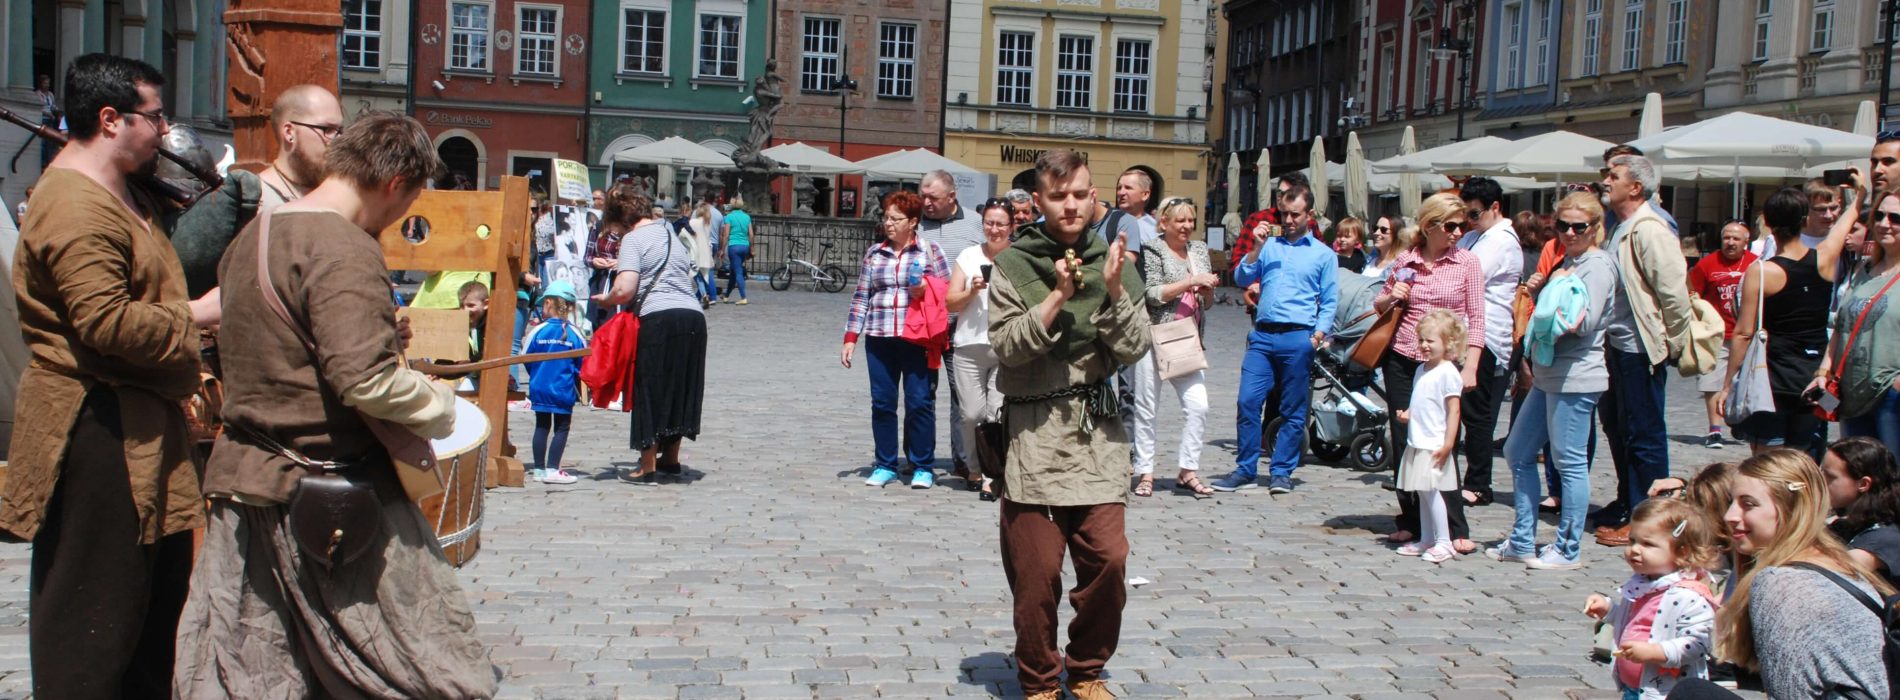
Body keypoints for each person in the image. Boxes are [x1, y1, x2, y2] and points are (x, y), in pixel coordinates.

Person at [174, 111, 494, 697]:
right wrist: (443, 408)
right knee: (414, 664)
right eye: (409, 200)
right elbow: (364, 382)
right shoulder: (342, 247)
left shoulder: (255, 234)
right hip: (328, 488)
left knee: (262, 667)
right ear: (397, 184)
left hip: (247, 480)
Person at [5, 53, 222, 698]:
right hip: (95, 432)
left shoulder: (120, 192)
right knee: (91, 625)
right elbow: (106, 325)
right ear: (109, 119)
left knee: (147, 623)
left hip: (136, 428)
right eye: (154, 117)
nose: (163, 131)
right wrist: (201, 315)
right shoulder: (74, 206)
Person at [988, 148, 1147, 700]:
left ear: (1094, 196)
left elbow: (1134, 347)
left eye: (1081, 194)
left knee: (1109, 559)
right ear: (1039, 202)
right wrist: (1057, 296)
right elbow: (1008, 349)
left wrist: (1115, 292)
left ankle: (1086, 669)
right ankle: (1037, 679)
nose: (1072, 205)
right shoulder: (1013, 265)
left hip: (1096, 435)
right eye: (1059, 196)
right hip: (1033, 435)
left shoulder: (1116, 263)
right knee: (1034, 577)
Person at [1666, 449, 1894, 700]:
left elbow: (1789, 695)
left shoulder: (1782, 582)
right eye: (1732, 501)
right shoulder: (1834, 560)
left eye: (1748, 504)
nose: (1730, 515)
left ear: (1790, 509)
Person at [1492, 192, 1618, 570]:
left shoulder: (1596, 265)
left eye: (1579, 226)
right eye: (1562, 225)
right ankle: (1522, 539)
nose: (1569, 233)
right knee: (1517, 451)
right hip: (1549, 373)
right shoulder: (1570, 261)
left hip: (1576, 374)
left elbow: (1584, 323)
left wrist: (1549, 295)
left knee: (1569, 462)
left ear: (1596, 228)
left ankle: (1567, 548)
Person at [1594, 154, 1696, 547]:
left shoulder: (1650, 229)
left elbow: (1673, 293)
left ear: (1635, 187)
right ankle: (1628, 504)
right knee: (1619, 428)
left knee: (1644, 433)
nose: (1606, 181)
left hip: (1640, 346)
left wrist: (1670, 344)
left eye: (1614, 176)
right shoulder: (1620, 226)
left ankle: (1651, 519)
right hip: (1616, 343)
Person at [1375, 192, 1485, 552]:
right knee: (1405, 439)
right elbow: (1379, 305)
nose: (1458, 232)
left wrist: (1471, 364)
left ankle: (1453, 527)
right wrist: (1394, 295)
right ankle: (1410, 520)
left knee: (1441, 441)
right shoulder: (1407, 259)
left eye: (1463, 224)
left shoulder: (1466, 262)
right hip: (1405, 358)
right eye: (1451, 225)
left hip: (1442, 365)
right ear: (1430, 226)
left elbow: (1477, 317)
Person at [1215, 185, 1338, 495]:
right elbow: (1242, 278)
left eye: (1295, 214)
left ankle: (1281, 471)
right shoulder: (1269, 246)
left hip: (1298, 337)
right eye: (1284, 214)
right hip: (1263, 336)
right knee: (1247, 401)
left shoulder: (1323, 254)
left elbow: (1330, 299)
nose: (1289, 220)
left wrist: (1318, 335)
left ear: (1310, 215)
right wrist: (1256, 247)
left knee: (1293, 409)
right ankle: (1245, 469)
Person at [1717, 187, 1848, 460]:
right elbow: (1844, 225)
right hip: (1813, 381)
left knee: (1767, 461)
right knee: (1805, 461)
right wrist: (1857, 196)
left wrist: (1728, 384)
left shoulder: (1762, 272)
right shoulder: (1824, 258)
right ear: (1804, 220)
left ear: (1767, 223)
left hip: (1773, 381)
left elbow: (1743, 333)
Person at [593, 184, 710, 483]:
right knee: (682, 386)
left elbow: (625, 289)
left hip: (660, 318)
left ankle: (647, 464)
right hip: (693, 317)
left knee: (650, 387)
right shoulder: (668, 232)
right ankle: (670, 458)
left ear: (621, 220)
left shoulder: (633, 239)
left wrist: (607, 299)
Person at [840, 190, 950, 489]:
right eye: (886, 217)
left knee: (919, 403)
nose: (888, 223)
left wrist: (926, 290)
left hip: (917, 338)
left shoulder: (930, 252)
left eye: (895, 218)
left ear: (912, 222)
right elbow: (862, 295)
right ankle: (885, 463)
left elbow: (947, 292)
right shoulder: (875, 253)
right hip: (879, 336)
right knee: (883, 403)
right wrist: (851, 336)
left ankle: (923, 465)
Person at [1581, 499, 1720, 700]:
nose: (1635, 549)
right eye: (1632, 541)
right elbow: (1635, 621)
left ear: (1682, 552)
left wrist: (1656, 652)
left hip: (1665, 692)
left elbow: (1698, 643)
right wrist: (1608, 610)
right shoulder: (1642, 584)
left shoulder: (1687, 595)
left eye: (1648, 544)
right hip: (1633, 687)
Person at [1133, 196, 1219, 499]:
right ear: (1165, 223)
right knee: (1146, 409)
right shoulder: (1153, 249)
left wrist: (1206, 291)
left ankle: (1188, 470)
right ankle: (1145, 472)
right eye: (1180, 220)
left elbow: (1207, 302)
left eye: (1191, 220)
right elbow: (1153, 294)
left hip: (1187, 337)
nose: (1187, 226)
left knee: (1199, 405)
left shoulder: (1198, 250)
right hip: (1156, 335)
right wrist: (1190, 281)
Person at [1813, 185, 1900, 456]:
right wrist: (1823, 374)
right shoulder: (1863, 269)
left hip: (1890, 394)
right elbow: (1841, 327)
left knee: (1892, 477)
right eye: (1879, 216)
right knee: (1858, 476)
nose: (1885, 224)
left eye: (1895, 218)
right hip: (1850, 392)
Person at [1456, 177, 1523, 507]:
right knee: (1456, 408)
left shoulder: (1501, 241)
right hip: (1460, 332)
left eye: (1474, 213)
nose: (1468, 221)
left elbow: (1464, 278)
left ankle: (1479, 482)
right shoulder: (1474, 235)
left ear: (1495, 207)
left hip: (1486, 337)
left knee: (1476, 413)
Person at [920, 170, 986, 477]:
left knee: (963, 397)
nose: (926, 202)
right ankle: (920, 458)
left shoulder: (975, 223)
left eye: (933, 197)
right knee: (921, 394)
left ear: (952, 197)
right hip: (923, 326)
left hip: (962, 324)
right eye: (923, 196)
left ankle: (964, 460)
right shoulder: (915, 224)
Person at [945, 198, 1012, 500]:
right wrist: (971, 291)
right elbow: (950, 302)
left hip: (1004, 346)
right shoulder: (969, 255)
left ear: (1011, 227)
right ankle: (973, 466)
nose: (994, 229)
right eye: (989, 222)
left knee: (995, 415)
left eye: (1000, 224)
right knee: (971, 414)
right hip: (969, 344)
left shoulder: (1018, 258)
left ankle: (990, 475)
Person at [1393, 310, 1467, 564]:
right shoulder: (1421, 370)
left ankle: (1444, 541)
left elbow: (1453, 410)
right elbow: (1422, 399)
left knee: (1433, 491)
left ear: (1448, 343)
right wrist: (1409, 414)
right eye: (1422, 340)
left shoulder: (1448, 372)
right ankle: (1427, 537)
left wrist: (1448, 443)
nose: (1424, 345)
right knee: (1422, 492)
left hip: (1434, 442)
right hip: (1418, 439)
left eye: (1430, 341)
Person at [1689, 221, 1756, 448]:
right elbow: (1692, 293)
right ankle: (1714, 430)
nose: (1730, 242)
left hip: (1747, 333)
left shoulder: (1755, 264)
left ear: (1746, 242)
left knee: (1747, 382)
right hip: (1717, 333)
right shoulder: (1707, 264)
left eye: (1736, 239)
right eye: (1727, 237)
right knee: (1712, 383)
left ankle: (1742, 422)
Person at [524, 280, 586, 485]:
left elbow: (525, 357)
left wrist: (535, 375)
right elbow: (582, 363)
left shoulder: (537, 330)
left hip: (539, 387)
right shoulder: (575, 333)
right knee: (561, 427)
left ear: (549, 303)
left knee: (541, 426)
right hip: (562, 388)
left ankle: (539, 470)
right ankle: (552, 467)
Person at [1823, 437, 1900, 589]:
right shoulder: (1846, 524)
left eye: (1830, 477)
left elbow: (1826, 574)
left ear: (1863, 484)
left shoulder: (1884, 540)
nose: (1820, 481)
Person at [256, 84, 344, 212]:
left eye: (340, 130)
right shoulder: (256, 201)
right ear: (289, 133)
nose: (338, 140)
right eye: (327, 129)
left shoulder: (340, 200)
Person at [1115, 166, 1161, 250]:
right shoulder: (1107, 221)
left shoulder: (1155, 231)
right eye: (1119, 188)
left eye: (1128, 188)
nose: (1121, 192)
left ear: (1145, 195)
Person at [721, 198, 752, 304]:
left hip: (734, 246)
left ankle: (743, 297)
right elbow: (751, 234)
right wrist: (752, 247)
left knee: (738, 271)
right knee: (734, 271)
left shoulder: (728, 217)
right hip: (745, 246)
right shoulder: (747, 217)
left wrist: (721, 249)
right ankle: (726, 295)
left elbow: (725, 235)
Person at [35, 73, 59, 168]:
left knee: (50, 141)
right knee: (43, 142)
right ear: (40, 84)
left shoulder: (50, 95)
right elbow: (39, 108)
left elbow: (53, 106)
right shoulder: (37, 94)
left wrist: (57, 111)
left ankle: (49, 161)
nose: (47, 85)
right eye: (45, 83)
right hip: (43, 119)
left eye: (48, 83)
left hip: (51, 120)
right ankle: (43, 162)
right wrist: (48, 114)